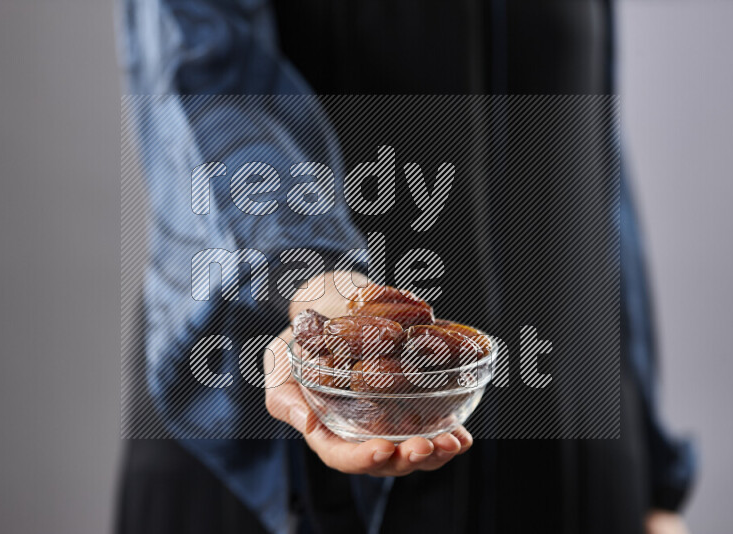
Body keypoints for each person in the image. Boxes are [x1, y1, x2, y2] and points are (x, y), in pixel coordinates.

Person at [117, 1, 695, 533]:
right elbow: (206, 82)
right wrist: (315, 282)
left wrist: (652, 477)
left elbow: (588, 159)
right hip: (275, 462)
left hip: (566, 481)